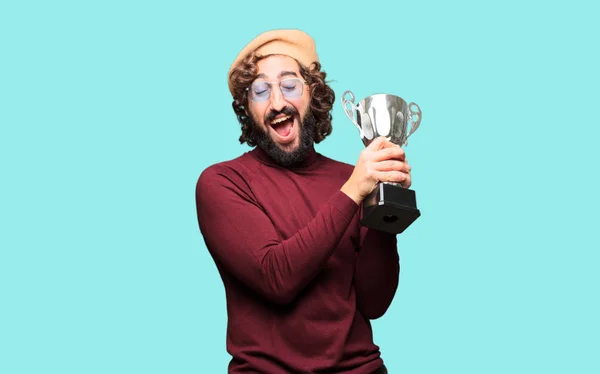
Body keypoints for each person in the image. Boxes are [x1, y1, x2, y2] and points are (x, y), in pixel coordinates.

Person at [195, 29, 412, 374]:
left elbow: (374, 302)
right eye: (260, 91)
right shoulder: (223, 182)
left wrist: (385, 206)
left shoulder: (353, 178)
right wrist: (355, 191)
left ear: (313, 94)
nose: (277, 102)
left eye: (290, 85)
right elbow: (275, 279)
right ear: (247, 110)